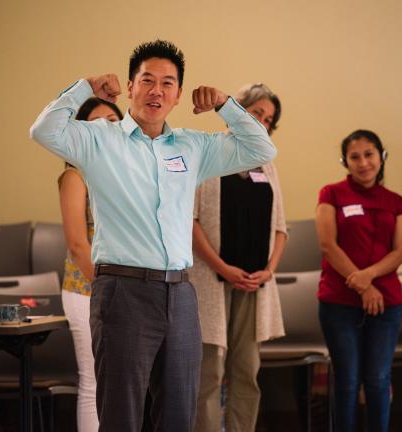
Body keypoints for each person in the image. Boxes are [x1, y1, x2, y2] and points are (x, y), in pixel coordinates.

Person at [30, 39, 276, 431]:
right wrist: (85, 87)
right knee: (122, 417)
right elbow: (43, 131)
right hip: (123, 293)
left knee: (179, 415)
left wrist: (226, 104)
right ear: (130, 87)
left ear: (178, 95)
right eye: (147, 80)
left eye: (167, 83)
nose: (156, 90)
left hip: (180, 294)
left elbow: (261, 149)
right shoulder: (99, 139)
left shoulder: (193, 146)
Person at [189, 83, 287, 432]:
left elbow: (280, 227)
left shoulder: (267, 162)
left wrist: (269, 271)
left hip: (254, 286)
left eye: (269, 119)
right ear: (238, 110)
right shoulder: (209, 153)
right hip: (212, 281)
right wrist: (224, 268)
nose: (262, 122)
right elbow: (191, 221)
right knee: (210, 373)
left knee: (246, 370)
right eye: (257, 113)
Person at [315, 130, 402, 432]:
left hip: (386, 304)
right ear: (346, 162)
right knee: (347, 380)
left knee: (379, 380)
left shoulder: (395, 201)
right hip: (339, 301)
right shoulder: (331, 194)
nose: (363, 162)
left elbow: (399, 251)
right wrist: (363, 286)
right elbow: (328, 244)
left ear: (382, 157)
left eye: (369, 154)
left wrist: (368, 277)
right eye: (355, 157)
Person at [58, 97, 123, 431]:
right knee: (94, 379)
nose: (107, 128)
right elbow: (77, 243)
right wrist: (105, 288)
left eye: (113, 120)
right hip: (88, 289)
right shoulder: (75, 175)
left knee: (123, 385)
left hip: (126, 288)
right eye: (97, 122)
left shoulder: (128, 169)